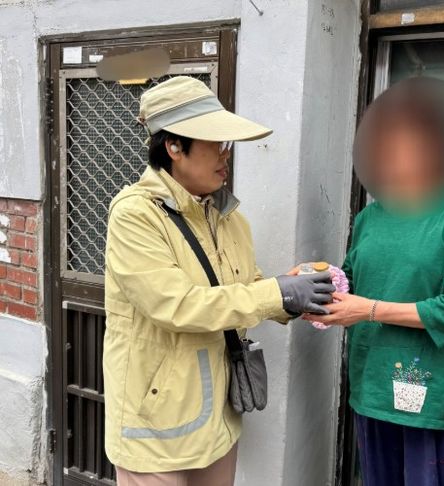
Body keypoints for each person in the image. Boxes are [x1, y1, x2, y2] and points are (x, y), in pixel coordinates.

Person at [103, 76, 334, 486]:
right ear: (174, 147)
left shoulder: (229, 217)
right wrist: (276, 292)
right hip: (155, 425)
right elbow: (177, 305)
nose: (226, 154)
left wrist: (294, 294)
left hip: (218, 417)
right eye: (215, 142)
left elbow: (247, 285)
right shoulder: (136, 215)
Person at [305, 77, 444, 486]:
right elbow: (350, 282)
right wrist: (311, 285)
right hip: (372, 386)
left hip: (433, 396)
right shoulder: (371, 217)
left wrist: (368, 310)